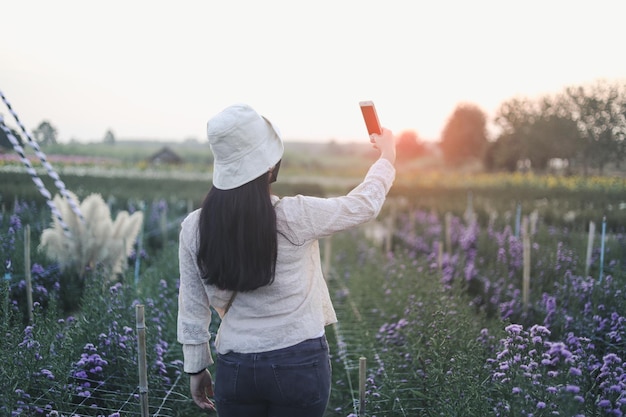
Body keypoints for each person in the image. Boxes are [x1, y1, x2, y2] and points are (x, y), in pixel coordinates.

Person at [177, 103, 396, 416]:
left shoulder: (194, 228)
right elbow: (363, 205)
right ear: (269, 167)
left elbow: (192, 306)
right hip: (299, 362)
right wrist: (387, 156)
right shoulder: (296, 216)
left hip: (235, 366)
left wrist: (196, 367)